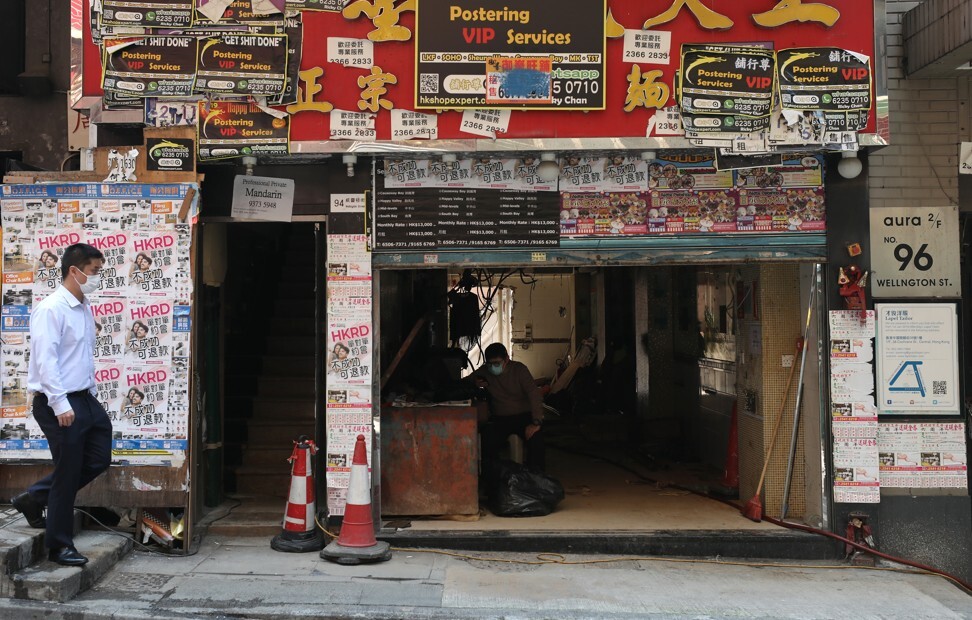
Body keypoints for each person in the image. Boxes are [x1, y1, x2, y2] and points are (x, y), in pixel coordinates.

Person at [12, 243, 112, 567]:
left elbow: (81, 356)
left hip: (84, 398)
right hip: (59, 402)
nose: (98, 277)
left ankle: (36, 496)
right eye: (94, 271)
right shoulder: (51, 308)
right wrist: (59, 404)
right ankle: (59, 546)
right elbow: (46, 360)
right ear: (75, 270)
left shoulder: (84, 306)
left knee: (99, 457)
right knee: (68, 473)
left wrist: (89, 394)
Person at [470, 343, 545, 471]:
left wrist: (536, 422)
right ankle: (494, 479)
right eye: (490, 364)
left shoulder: (519, 370)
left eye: (497, 363)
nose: (493, 367)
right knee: (486, 441)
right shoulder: (484, 372)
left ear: (507, 359)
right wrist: (474, 383)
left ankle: (535, 478)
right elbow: (464, 381)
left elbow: (534, 394)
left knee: (536, 440)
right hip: (500, 419)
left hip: (523, 416)